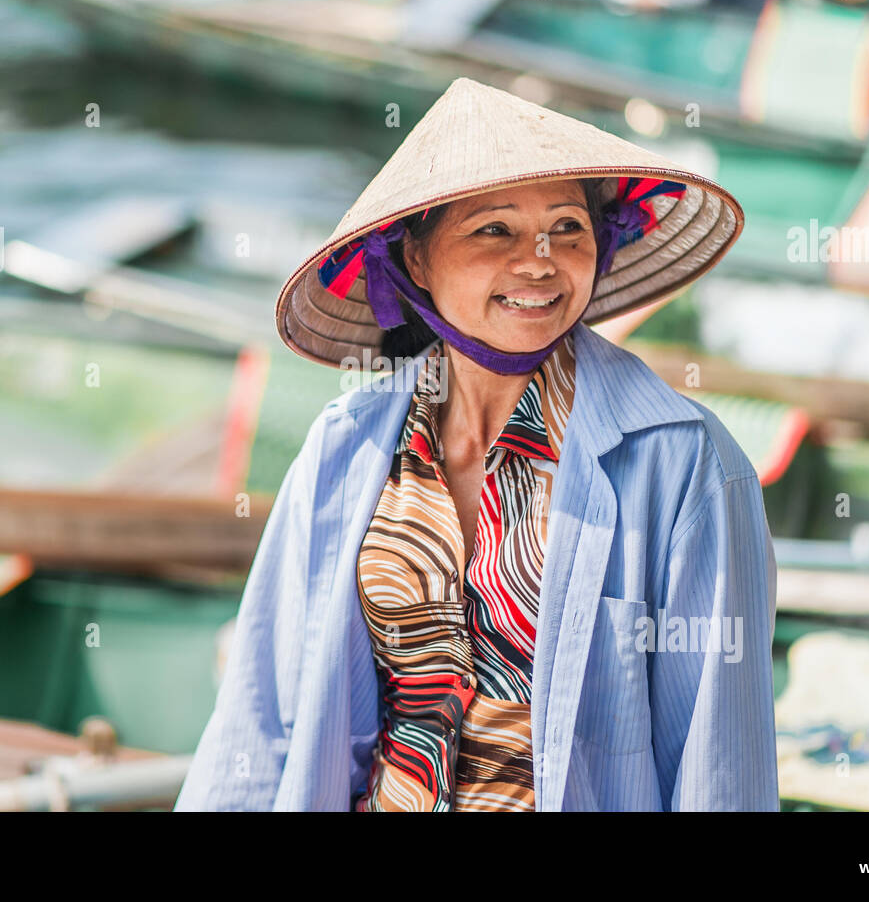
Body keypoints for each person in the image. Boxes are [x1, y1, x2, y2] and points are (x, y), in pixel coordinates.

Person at [175, 77, 779, 811]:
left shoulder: (686, 468)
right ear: (417, 261)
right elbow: (257, 727)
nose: (539, 261)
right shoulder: (345, 451)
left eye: (569, 228)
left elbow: (719, 768)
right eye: (494, 230)